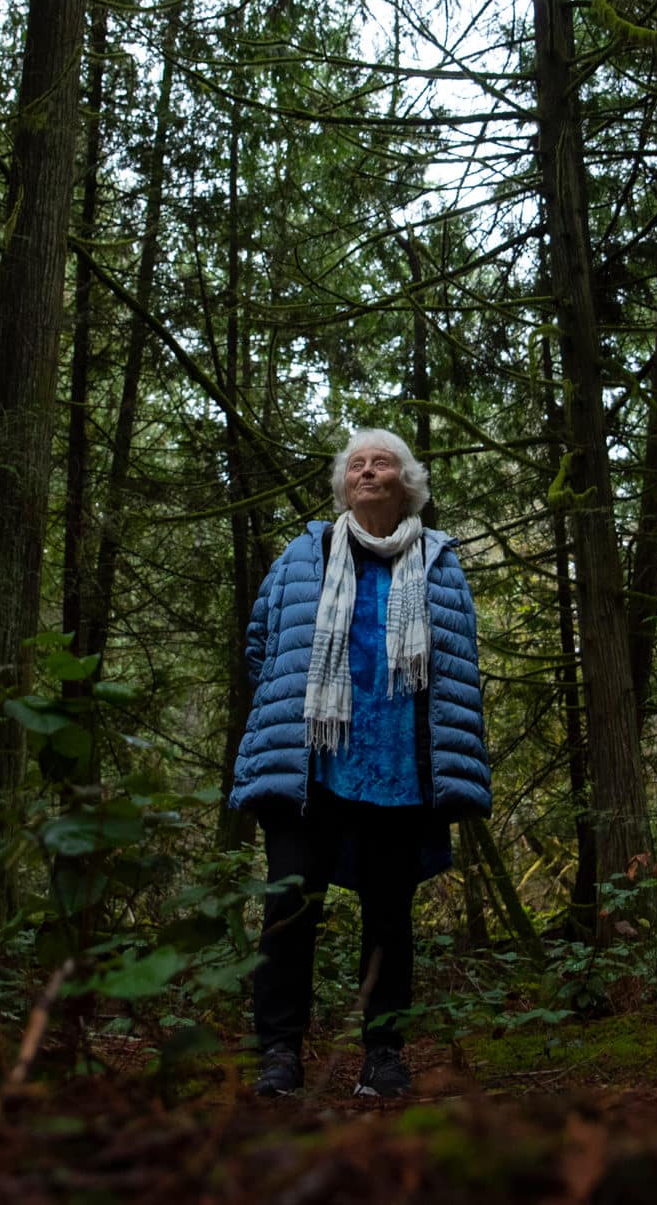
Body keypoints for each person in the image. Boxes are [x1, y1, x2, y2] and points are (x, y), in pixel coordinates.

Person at [227, 427, 491, 1099]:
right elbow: (261, 642)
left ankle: (384, 1055)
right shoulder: (302, 553)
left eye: (382, 464)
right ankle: (281, 1055)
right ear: (344, 483)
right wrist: (303, 709)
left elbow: (460, 663)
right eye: (356, 465)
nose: (366, 472)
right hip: (310, 767)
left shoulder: (439, 561)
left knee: (389, 917)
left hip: (400, 768)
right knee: (289, 910)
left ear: (409, 484)